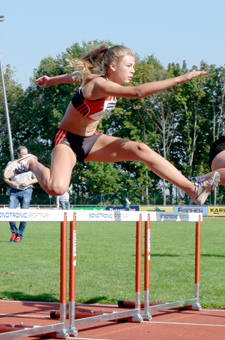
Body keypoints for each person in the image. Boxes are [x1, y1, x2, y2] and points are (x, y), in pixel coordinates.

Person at [3, 45, 220, 205]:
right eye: (129, 66)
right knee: (56, 188)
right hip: (67, 140)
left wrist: (51, 80)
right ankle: (31, 163)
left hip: (92, 140)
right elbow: (138, 92)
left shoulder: (94, 79)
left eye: (134, 66)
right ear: (113, 66)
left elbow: (76, 76)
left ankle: (191, 189)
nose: (133, 70)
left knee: (141, 149)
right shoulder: (99, 84)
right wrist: (180, 79)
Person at [4, 146, 38, 243]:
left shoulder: (31, 165)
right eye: (23, 154)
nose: (26, 156)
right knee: (10, 214)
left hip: (27, 191)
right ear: (18, 154)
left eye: (27, 154)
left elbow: (37, 179)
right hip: (14, 191)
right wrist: (11, 183)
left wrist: (28, 182)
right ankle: (14, 232)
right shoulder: (11, 164)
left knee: (24, 215)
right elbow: (5, 177)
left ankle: (20, 235)